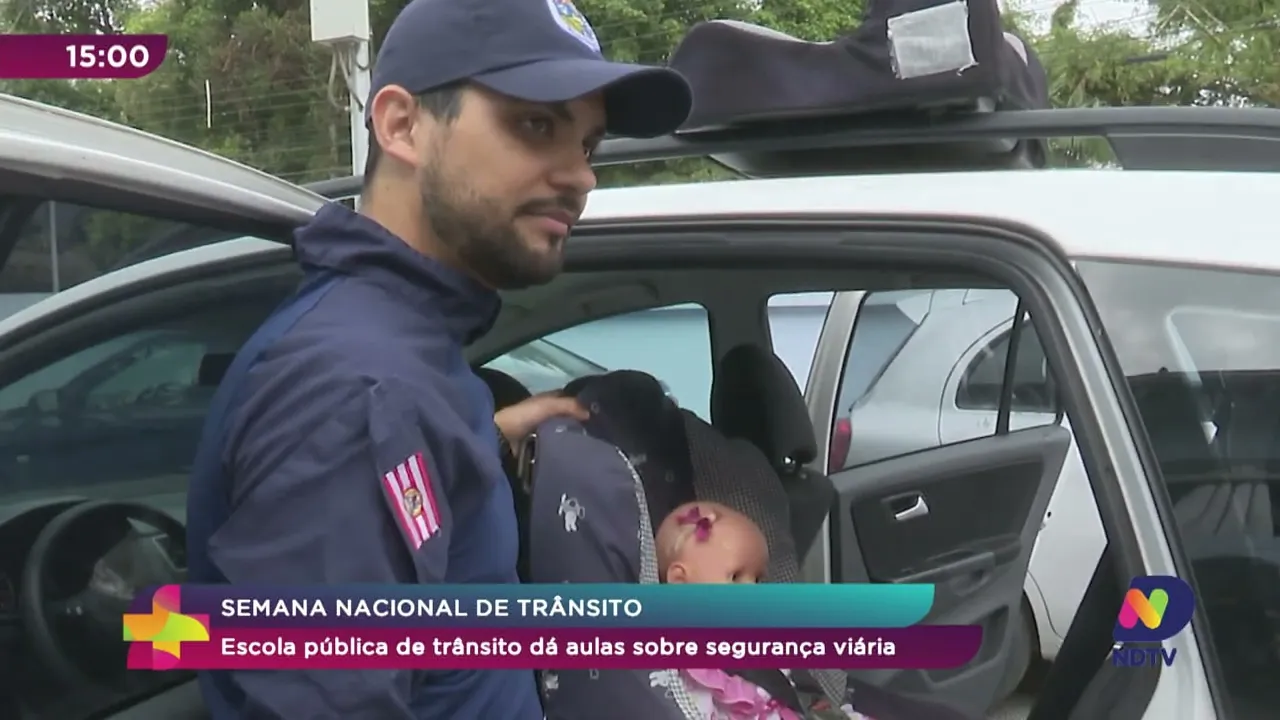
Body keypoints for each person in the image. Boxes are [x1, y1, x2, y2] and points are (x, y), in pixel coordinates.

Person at [182, 0, 693, 715]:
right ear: (401, 125)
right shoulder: (355, 389)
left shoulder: (407, 364)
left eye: (587, 145)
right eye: (536, 124)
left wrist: (487, 439)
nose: (581, 178)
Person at [655, 503, 872, 720]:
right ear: (681, 584)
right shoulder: (692, 673)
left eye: (757, 579)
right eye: (735, 577)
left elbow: (804, 697)